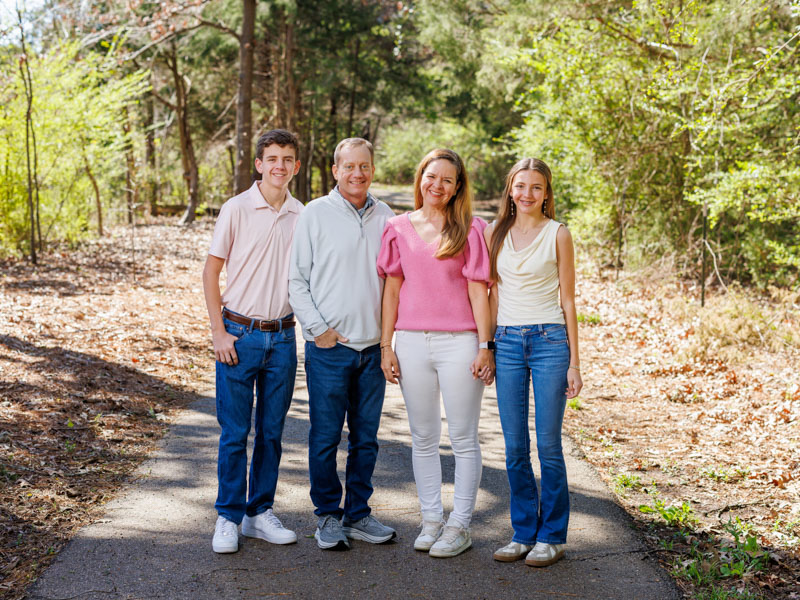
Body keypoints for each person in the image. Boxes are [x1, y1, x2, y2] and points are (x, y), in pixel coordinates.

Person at [377, 148, 494, 558]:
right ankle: (431, 521)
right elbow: (392, 290)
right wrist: (385, 345)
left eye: (447, 179)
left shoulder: (472, 229)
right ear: (420, 178)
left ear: (458, 186)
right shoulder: (396, 227)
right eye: (431, 176)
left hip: (460, 343)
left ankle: (459, 525)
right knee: (423, 437)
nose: (437, 185)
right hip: (410, 342)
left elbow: (480, 292)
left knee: (463, 437)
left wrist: (485, 345)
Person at [288, 137, 397, 551]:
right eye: (349, 166)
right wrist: (319, 329)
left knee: (366, 438)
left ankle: (358, 514)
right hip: (329, 350)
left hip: (372, 350)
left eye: (364, 166)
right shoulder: (316, 213)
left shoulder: (386, 215)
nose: (357, 173)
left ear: (372, 169)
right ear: (336, 170)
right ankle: (327, 517)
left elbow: (393, 284)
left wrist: (388, 342)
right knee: (326, 436)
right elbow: (296, 280)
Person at [202, 129, 304, 554]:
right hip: (238, 336)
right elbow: (210, 273)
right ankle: (228, 516)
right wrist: (218, 333)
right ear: (259, 164)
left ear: (296, 167)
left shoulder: (304, 213)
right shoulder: (237, 208)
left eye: (287, 159)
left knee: (272, 432)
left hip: (282, 337)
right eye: (272, 158)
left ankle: (258, 514)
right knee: (235, 431)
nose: (279, 165)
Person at [484, 157, 583, 567]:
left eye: (536, 187)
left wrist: (576, 362)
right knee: (513, 446)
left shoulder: (558, 234)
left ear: (546, 193)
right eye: (520, 186)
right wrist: (487, 346)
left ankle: (553, 536)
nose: (527, 194)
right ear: (510, 189)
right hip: (506, 342)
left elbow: (569, 299)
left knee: (547, 444)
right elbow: (491, 294)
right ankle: (524, 532)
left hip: (549, 341)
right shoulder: (495, 232)